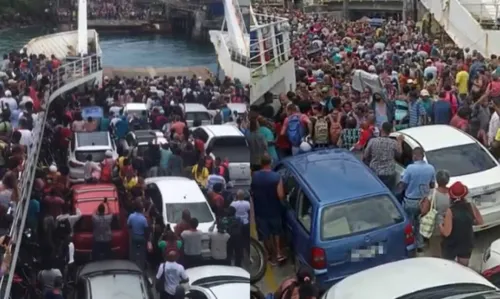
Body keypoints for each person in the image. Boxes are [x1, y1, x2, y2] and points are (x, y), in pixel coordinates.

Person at [398, 147, 436, 251]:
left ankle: (410, 246)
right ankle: (420, 245)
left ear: (414, 156)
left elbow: (403, 184)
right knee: (420, 223)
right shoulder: (431, 168)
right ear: (423, 156)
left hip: (410, 201)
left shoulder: (410, 168)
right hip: (424, 202)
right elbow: (432, 185)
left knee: (409, 224)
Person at [251, 153, 286, 264]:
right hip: (274, 209)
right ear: (270, 163)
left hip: (260, 211)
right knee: (276, 233)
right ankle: (279, 253)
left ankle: (270, 255)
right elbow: (280, 195)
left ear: (261, 163)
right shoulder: (276, 177)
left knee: (265, 235)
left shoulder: (254, 176)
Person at [440, 181, 484, 266]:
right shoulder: (471, 206)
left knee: (448, 266)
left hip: (452, 244)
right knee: (464, 268)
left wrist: (440, 226)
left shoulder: (450, 211)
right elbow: (480, 222)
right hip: (466, 243)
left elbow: (446, 233)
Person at [420, 170, 450, 258]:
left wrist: (421, 205)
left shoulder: (432, 193)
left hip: (436, 226)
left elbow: (424, 211)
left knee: (436, 250)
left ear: (437, 180)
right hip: (449, 225)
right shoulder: (451, 193)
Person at [364, 122, 403, 191]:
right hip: (389, 173)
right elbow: (399, 154)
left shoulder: (373, 141)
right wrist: (399, 141)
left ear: (381, 129)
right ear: (391, 131)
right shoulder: (393, 143)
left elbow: (365, 155)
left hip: (375, 172)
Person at [127, 201, 149, 270]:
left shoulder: (131, 216)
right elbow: (146, 229)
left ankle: (132, 265)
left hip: (134, 236)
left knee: (133, 251)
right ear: (141, 209)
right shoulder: (143, 219)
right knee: (142, 252)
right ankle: (142, 266)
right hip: (141, 237)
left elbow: (128, 225)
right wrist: (147, 239)